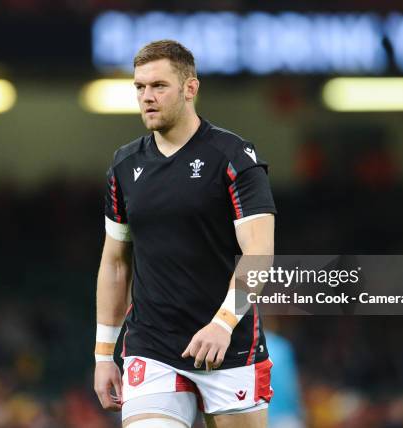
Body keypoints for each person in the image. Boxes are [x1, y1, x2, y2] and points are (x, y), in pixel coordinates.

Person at [93, 39, 277, 428]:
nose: (147, 97)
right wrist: (103, 356)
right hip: (152, 345)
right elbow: (114, 263)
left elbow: (259, 252)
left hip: (229, 344)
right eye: (139, 87)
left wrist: (223, 323)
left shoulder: (233, 158)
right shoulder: (124, 167)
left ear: (190, 88)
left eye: (158, 86)